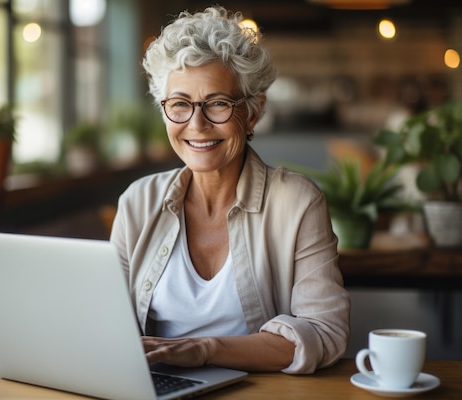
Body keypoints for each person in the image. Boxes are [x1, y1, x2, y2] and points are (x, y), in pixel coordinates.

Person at [110, 6, 350, 374]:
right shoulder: (137, 202)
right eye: (179, 105)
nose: (197, 124)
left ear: (253, 112)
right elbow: (107, 324)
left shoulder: (297, 202)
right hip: (157, 393)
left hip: (257, 399)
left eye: (218, 104)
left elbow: (326, 331)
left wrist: (204, 348)